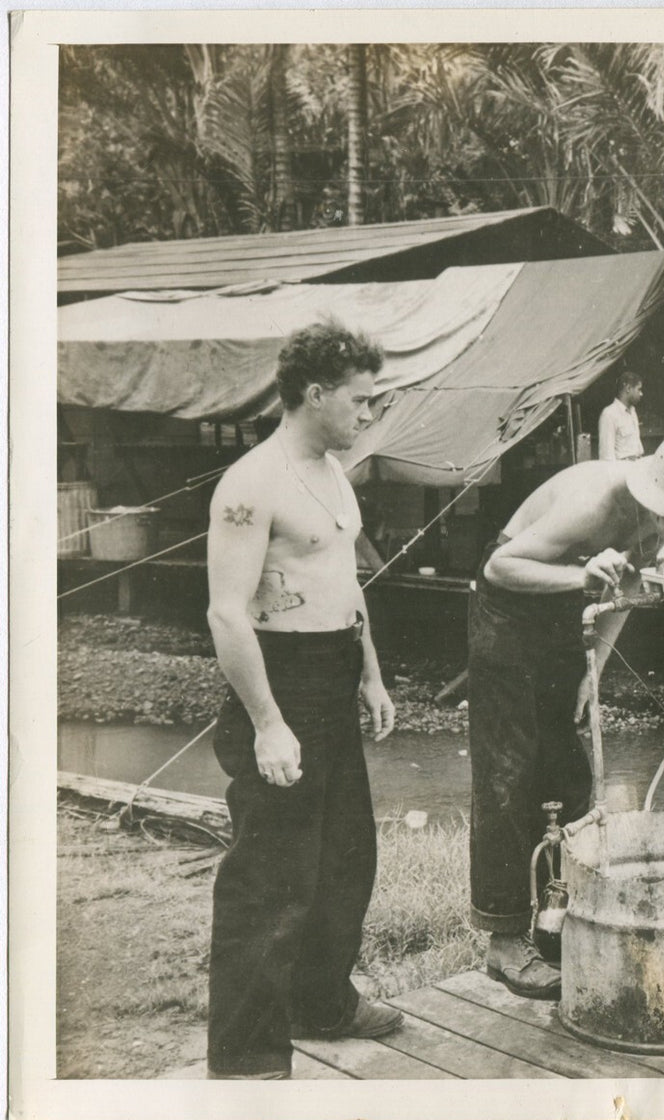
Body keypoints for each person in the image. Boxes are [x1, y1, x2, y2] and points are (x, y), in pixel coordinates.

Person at [468, 432, 664, 999]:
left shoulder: (655, 522)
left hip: (567, 612)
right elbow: (500, 567)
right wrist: (580, 577)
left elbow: (629, 585)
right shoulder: (596, 500)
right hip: (510, 609)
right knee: (509, 769)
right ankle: (502, 940)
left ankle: (555, 921)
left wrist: (593, 670)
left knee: (567, 768)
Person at [204, 321, 402, 1080]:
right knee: (271, 878)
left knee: (345, 857)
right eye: (360, 400)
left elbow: (343, 584)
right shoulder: (251, 486)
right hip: (277, 680)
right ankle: (247, 1060)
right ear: (315, 394)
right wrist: (267, 724)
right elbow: (227, 612)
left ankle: (322, 1001)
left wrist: (371, 674)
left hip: (333, 670)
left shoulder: (331, 469)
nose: (369, 413)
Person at [597, 370, 645, 460]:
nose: (641, 394)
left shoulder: (632, 412)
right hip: (622, 471)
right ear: (628, 388)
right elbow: (606, 457)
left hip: (637, 468)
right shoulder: (609, 414)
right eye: (639, 389)